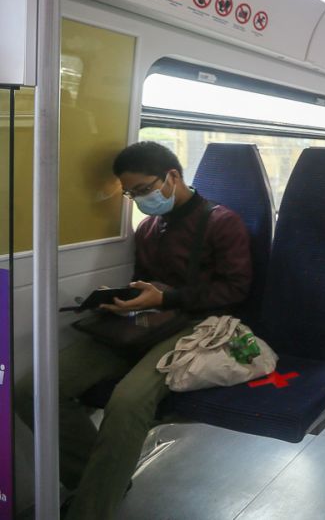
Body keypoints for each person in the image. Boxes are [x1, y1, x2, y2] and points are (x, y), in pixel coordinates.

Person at [15, 141, 252, 520]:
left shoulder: (222, 222)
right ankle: (97, 480)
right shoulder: (148, 228)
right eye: (131, 194)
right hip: (145, 321)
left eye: (144, 189)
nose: (140, 200)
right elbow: (144, 282)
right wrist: (123, 300)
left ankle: (90, 511)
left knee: (127, 402)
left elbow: (236, 289)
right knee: (32, 389)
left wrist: (166, 298)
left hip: (197, 324)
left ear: (172, 177)